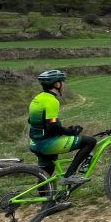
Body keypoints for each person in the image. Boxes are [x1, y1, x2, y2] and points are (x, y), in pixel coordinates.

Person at [28, 70, 97, 213]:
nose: (63, 85)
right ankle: (69, 175)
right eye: (62, 82)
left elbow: (34, 121)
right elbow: (52, 127)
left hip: (35, 142)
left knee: (45, 173)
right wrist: (71, 131)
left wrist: (64, 129)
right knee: (90, 141)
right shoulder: (52, 100)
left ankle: (47, 206)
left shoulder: (37, 98)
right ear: (56, 84)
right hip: (46, 143)